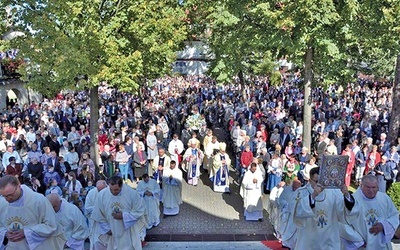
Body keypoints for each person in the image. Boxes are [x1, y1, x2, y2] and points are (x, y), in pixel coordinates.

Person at [293, 167, 354, 249]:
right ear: (310, 180)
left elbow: (343, 210)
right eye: (317, 182)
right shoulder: (301, 192)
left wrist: (346, 194)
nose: (321, 185)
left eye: (323, 181)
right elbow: (297, 212)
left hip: (329, 238)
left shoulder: (333, 192)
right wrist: (313, 195)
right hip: (308, 238)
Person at [0, 175, 66, 249]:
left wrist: (26, 233)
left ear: (19, 186)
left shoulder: (39, 200)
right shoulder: (1, 203)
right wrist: (5, 233)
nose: (7, 199)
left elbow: (51, 225)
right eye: (4, 196)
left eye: (10, 195)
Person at [341, 175, 399, 249]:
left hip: (381, 244)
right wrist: (357, 241)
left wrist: (383, 225)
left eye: (374, 187)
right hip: (362, 245)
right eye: (368, 187)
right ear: (361, 186)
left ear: (378, 187)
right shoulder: (352, 201)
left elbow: (394, 215)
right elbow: (343, 223)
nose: (371, 190)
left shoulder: (384, 199)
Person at [91, 176, 146, 250]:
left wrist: (124, 216)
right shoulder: (102, 194)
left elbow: (139, 210)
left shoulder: (132, 194)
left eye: (116, 190)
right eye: (111, 189)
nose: (113, 192)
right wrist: (106, 229)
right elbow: (98, 214)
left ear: (121, 186)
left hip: (127, 231)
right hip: (111, 230)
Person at [276, 180, 302, 248]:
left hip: (295, 214)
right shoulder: (286, 190)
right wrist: (286, 205)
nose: (295, 189)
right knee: (286, 228)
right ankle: (285, 243)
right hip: (286, 213)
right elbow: (281, 199)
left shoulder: (302, 192)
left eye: (297, 187)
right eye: (294, 187)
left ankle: (293, 244)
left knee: (294, 230)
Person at [84, 180, 107, 250]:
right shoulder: (91, 193)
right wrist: (98, 208)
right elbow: (87, 208)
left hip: (108, 223)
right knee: (96, 242)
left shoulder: (111, 192)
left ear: (106, 187)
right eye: (99, 190)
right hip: (96, 223)